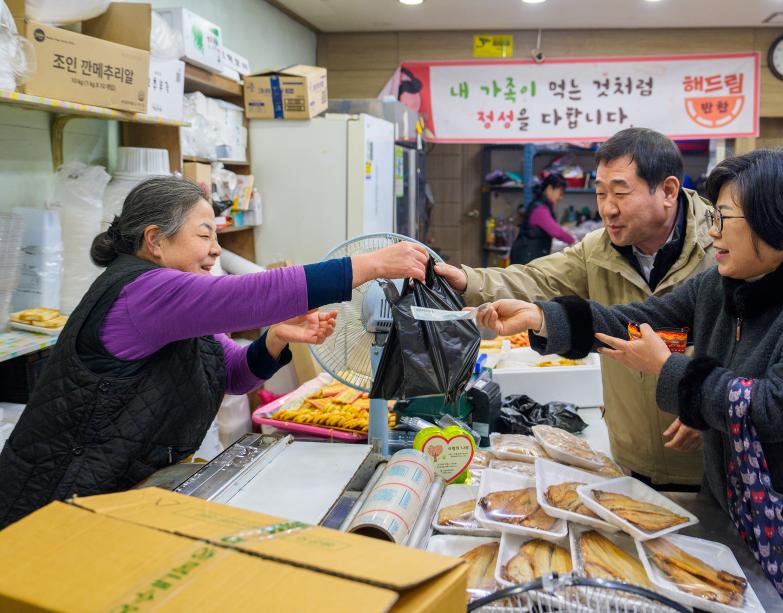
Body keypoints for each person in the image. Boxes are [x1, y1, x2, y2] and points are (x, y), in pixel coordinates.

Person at [475, 149, 783, 611]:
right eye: (712, 216)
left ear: (778, 223)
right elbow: (637, 320)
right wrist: (541, 317)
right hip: (738, 523)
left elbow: (778, 409)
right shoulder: (720, 285)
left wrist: (668, 368)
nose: (712, 232)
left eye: (724, 218)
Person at [0, 177, 429, 528]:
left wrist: (276, 338)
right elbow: (250, 293)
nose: (216, 249)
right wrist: (370, 265)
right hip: (53, 500)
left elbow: (234, 374)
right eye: (204, 234)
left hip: (113, 493)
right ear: (155, 241)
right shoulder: (141, 291)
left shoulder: (178, 307)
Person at [436, 128, 716, 489]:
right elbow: (535, 278)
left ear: (667, 190)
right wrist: (465, 280)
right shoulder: (597, 250)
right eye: (600, 193)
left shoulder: (720, 245)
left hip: (709, 466)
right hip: (631, 458)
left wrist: (706, 404)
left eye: (620, 192)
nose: (607, 208)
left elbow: (752, 344)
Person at [509, 173, 576, 264]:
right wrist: (574, 242)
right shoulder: (540, 209)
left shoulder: (543, 205)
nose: (561, 197)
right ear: (549, 189)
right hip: (525, 259)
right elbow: (556, 231)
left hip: (529, 256)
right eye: (560, 193)